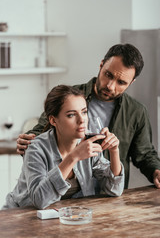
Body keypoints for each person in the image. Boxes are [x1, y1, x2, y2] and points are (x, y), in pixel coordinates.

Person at [16, 43, 160, 189]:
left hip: (109, 195)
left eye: (121, 82)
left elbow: (144, 154)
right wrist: (28, 140)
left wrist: (156, 172)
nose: (110, 86)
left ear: (131, 82)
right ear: (101, 65)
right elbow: (43, 130)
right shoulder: (71, 97)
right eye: (108, 75)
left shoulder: (136, 111)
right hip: (66, 197)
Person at [2, 85, 124, 210]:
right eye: (71, 115)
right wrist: (73, 157)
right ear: (53, 121)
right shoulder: (36, 149)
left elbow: (114, 190)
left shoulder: (89, 144)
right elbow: (40, 200)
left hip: (63, 218)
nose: (82, 120)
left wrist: (114, 151)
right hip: (19, 217)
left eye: (84, 112)